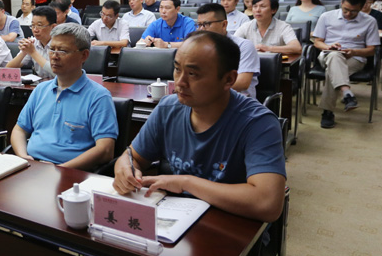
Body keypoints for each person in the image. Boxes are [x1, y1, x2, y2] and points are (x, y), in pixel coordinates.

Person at [112, 31, 286, 223]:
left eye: (193, 74)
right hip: (177, 219)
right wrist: (124, 169)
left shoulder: (258, 123)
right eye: (177, 69)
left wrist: (186, 183)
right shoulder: (168, 108)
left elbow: (267, 203)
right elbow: (132, 157)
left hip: (234, 226)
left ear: (229, 79)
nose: (179, 82)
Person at [10, 23, 117, 170]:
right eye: (52, 49)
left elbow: (105, 150)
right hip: (33, 167)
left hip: (71, 173)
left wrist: (59, 170)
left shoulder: (98, 97)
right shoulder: (41, 89)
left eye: (63, 51)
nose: (54, 56)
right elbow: (19, 130)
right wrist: (24, 157)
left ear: (84, 55)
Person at [311, 0, 381, 129]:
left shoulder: (370, 21)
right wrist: (329, 46)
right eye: (345, 10)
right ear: (341, 3)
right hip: (327, 54)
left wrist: (354, 51)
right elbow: (317, 42)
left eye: (353, 11)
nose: (348, 14)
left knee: (332, 70)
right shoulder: (326, 16)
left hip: (355, 58)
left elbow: (372, 50)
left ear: (361, 8)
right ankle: (346, 92)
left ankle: (328, 112)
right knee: (334, 56)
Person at [195, 3, 260, 99]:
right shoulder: (198, 47)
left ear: (224, 24)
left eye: (206, 24)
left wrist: (204, 88)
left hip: (238, 100)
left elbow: (242, 83)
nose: (201, 29)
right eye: (199, 25)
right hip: (204, 98)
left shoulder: (243, 46)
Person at [235, 0, 301, 54]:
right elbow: (232, 44)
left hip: (276, 63)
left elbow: (297, 48)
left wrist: (269, 48)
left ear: (273, 10)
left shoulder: (283, 27)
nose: (257, 10)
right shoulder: (246, 26)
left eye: (262, 6)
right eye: (255, 6)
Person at [6, 6, 56, 79]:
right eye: (33, 25)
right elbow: (9, 68)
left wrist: (33, 53)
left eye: (39, 25)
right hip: (40, 83)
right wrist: (24, 52)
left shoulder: (60, 45)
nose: (35, 30)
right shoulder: (33, 43)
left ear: (53, 27)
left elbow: (58, 73)